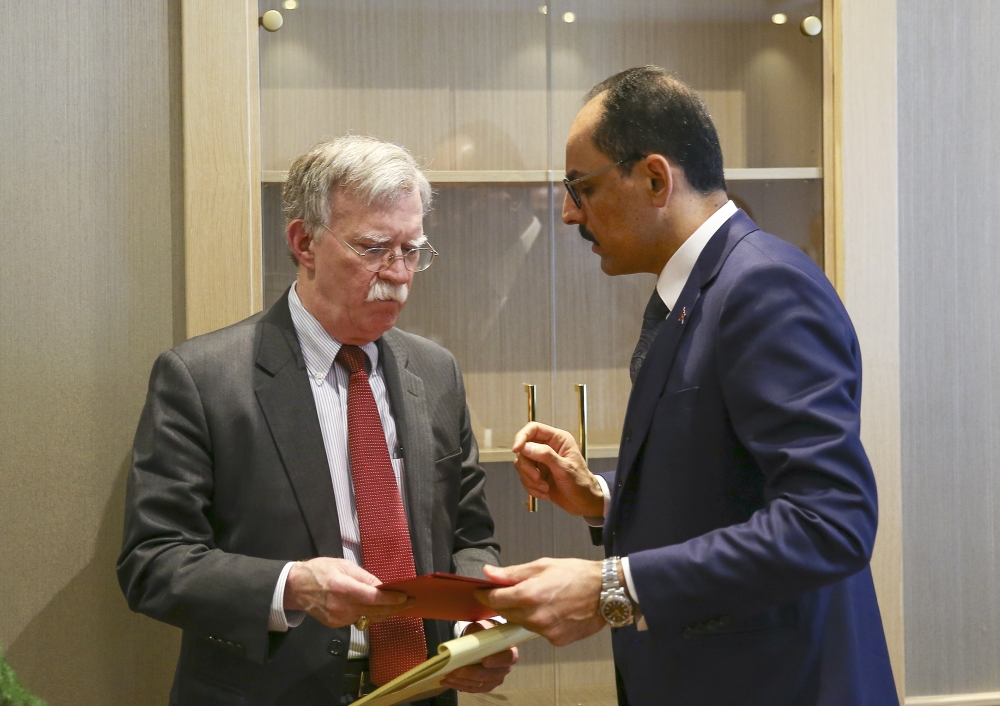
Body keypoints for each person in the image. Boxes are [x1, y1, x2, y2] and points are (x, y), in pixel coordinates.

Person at [477, 66, 898, 705]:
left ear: (654, 178)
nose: (568, 214)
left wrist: (609, 587)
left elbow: (829, 520)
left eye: (580, 187)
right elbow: (734, 486)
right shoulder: (697, 290)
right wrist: (602, 497)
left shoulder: (762, 287)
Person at [118, 136, 516, 705]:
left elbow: (471, 537)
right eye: (375, 249)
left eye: (412, 250)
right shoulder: (202, 378)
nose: (398, 274)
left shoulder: (436, 371)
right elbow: (152, 562)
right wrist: (291, 587)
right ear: (304, 243)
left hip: (421, 689)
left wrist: (478, 625)